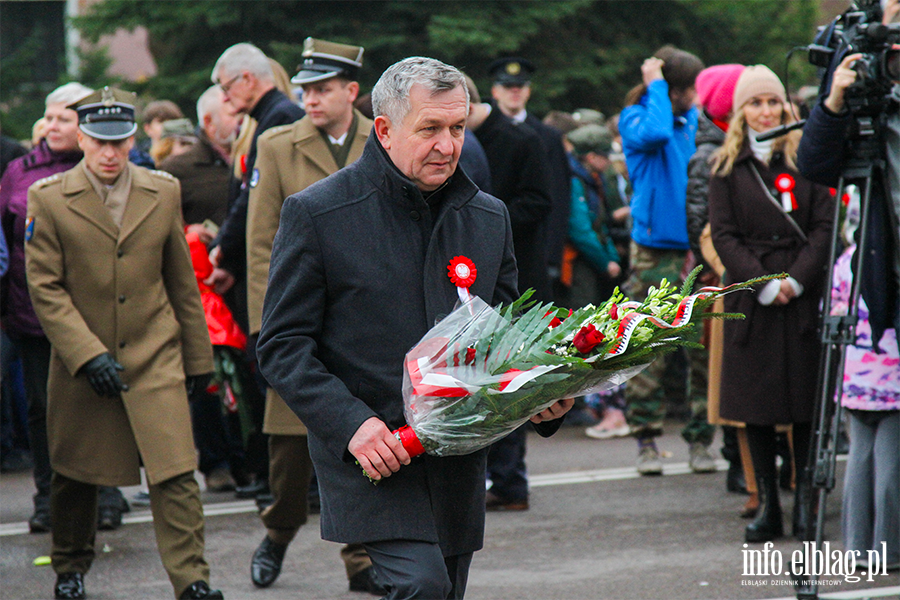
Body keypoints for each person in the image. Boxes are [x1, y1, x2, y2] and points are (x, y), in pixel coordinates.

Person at [257, 56, 573, 600]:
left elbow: (503, 338)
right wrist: (351, 424)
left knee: (445, 591)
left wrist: (542, 395)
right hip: (374, 454)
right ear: (383, 129)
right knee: (422, 588)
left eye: (457, 128)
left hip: (456, 461)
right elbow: (283, 345)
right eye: (429, 128)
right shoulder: (317, 213)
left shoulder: (488, 216)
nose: (448, 146)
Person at [25, 86, 222, 600]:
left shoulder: (161, 190)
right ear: (82, 140)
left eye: (119, 141)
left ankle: (193, 581)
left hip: (154, 355)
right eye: (98, 141)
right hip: (81, 362)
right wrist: (86, 354)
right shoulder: (48, 197)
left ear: (132, 138)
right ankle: (70, 568)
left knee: (176, 471)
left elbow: (181, 283)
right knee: (75, 475)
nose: (109, 153)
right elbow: (45, 287)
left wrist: (199, 359)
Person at [244, 37, 384, 595]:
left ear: (352, 92)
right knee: (289, 455)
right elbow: (261, 246)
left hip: (361, 323)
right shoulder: (277, 145)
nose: (310, 99)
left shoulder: (383, 138)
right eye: (304, 89)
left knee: (362, 442)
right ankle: (277, 533)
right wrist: (266, 331)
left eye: (323, 89)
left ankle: (361, 561)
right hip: (298, 322)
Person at [707, 66, 833, 543]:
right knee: (756, 410)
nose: (766, 111)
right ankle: (769, 510)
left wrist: (797, 281)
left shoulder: (809, 160)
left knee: (803, 408)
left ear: (786, 107)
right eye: (756, 103)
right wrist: (764, 283)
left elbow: (825, 224)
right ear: (741, 111)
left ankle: (805, 507)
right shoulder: (726, 167)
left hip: (801, 297)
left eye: (773, 102)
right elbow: (724, 235)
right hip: (752, 299)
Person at [0, 82, 130, 534]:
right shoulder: (17, 170)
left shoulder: (104, 168)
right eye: (49, 116)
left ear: (85, 129)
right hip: (31, 316)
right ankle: (45, 498)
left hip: (99, 316)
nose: (52, 125)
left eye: (64, 118)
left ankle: (108, 494)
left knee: (105, 405)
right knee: (42, 411)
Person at [619, 45, 716, 476]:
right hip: (654, 249)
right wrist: (655, 82)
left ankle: (700, 441)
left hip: (695, 245)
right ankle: (646, 440)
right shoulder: (638, 118)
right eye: (688, 89)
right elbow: (656, 133)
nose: (696, 96)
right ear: (670, 89)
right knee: (649, 346)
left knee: (698, 346)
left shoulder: (693, 120)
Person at [159, 86, 255, 495]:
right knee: (208, 380)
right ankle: (215, 462)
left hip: (241, 286)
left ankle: (248, 460)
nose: (237, 118)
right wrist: (191, 237)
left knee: (247, 379)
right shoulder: (180, 169)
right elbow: (161, 229)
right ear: (209, 123)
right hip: (202, 292)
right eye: (228, 112)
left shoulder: (247, 157)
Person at [466, 78, 553, 512]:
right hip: (478, 271)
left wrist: (490, 220)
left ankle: (510, 480)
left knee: (509, 377)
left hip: (516, 271)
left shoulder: (522, 139)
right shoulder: (474, 136)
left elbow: (541, 202)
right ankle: (500, 478)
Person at [684, 63, 752, 502]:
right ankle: (734, 457)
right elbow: (699, 219)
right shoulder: (710, 150)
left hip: (740, 267)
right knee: (724, 369)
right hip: (721, 271)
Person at [207, 43, 304, 333]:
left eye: (226, 88)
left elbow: (256, 196)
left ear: (247, 79)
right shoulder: (272, 116)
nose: (224, 98)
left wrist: (222, 246)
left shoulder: (279, 118)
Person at [564, 124, 630, 440]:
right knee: (582, 332)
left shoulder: (591, 178)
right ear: (592, 156)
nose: (608, 161)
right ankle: (579, 403)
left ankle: (590, 403)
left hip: (590, 264)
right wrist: (607, 262)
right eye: (605, 156)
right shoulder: (576, 181)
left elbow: (597, 226)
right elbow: (580, 229)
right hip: (579, 268)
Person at [489, 57, 571, 300]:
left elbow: (558, 198)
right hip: (493, 242)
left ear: (529, 90)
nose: (514, 92)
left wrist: (553, 255)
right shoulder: (483, 133)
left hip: (534, 249)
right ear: (495, 91)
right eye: (507, 87)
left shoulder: (548, 137)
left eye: (520, 86)